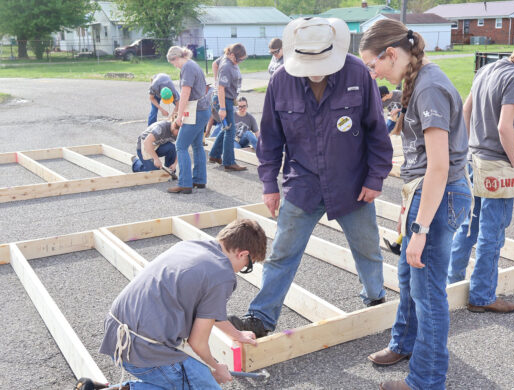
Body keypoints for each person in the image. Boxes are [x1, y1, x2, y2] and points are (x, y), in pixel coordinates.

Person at [228, 17, 393, 339]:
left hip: (353, 183)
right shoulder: (281, 81)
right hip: (302, 182)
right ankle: (260, 318)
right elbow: (271, 140)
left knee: (367, 249)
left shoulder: (357, 73)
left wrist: (375, 178)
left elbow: (377, 130)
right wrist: (268, 185)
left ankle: (375, 301)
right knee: (282, 254)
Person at [360, 18, 472, 390]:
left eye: (374, 64)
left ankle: (426, 380)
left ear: (391, 53)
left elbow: (440, 166)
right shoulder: (416, 81)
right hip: (423, 193)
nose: (373, 73)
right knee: (409, 279)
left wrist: (421, 228)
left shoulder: (430, 88)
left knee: (428, 294)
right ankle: (405, 344)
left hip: (439, 196)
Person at [448, 32, 514, 313]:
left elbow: (465, 111)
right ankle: (482, 296)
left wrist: (469, 147)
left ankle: (452, 283)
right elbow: (504, 127)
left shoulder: (486, 69)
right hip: (497, 165)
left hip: (474, 160)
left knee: (468, 227)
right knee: (492, 233)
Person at [98, 219, 267, 390]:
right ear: (242, 254)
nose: (242, 270)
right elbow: (197, 343)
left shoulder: (191, 246)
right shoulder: (222, 275)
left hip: (114, 335)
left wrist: (237, 334)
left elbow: (209, 311)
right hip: (142, 349)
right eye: (248, 265)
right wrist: (214, 368)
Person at [166, 46, 211, 194]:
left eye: (173, 63)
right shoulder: (193, 65)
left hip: (195, 111)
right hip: (203, 110)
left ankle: (185, 183)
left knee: (181, 146)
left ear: (177, 58)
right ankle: (199, 179)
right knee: (197, 145)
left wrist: (179, 116)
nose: (175, 65)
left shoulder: (187, 67)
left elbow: (185, 92)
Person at [208, 43, 248, 171]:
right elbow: (221, 88)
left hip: (229, 98)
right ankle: (229, 162)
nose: (240, 62)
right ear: (231, 55)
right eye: (239, 59)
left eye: (242, 59)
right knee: (230, 131)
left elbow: (214, 63)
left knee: (226, 128)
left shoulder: (226, 59)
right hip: (224, 100)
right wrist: (223, 108)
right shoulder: (226, 66)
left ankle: (214, 155)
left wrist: (216, 79)